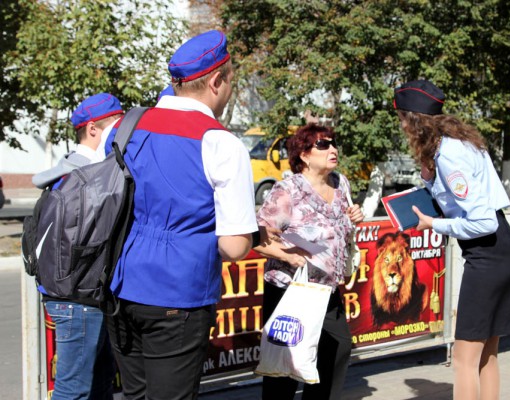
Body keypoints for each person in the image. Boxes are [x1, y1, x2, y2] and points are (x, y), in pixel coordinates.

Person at [102, 30, 259, 399]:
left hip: (120, 285)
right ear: (217, 81)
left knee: (136, 395)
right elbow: (235, 247)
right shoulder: (221, 143)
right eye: (231, 81)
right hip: (178, 295)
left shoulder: (125, 127)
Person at [393, 79, 510, 400]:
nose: (401, 126)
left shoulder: (448, 155)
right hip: (501, 249)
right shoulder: (456, 144)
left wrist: (434, 224)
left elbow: (482, 222)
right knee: (487, 354)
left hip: (487, 253)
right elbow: (459, 199)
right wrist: (428, 178)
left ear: (414, 120)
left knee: (463, 360)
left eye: (402, 119)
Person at [254, 123, 364, 400]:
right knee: (285, 367)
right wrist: (288, 256)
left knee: (337, 351)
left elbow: (341, 227)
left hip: (326, 288)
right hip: (290, 290)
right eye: (323, 145)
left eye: (334, 142)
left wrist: (355, 217)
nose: (333, 149)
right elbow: (257, 238)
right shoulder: (287, 190)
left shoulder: (341, 183)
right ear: (303, 154)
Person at [32, 92, 124, 400]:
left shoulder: (68, 171)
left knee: (98, 384)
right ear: (93, 129)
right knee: (74, 391)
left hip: (75, 294)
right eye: (115, 125)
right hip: (79, 296)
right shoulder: (90, 176)